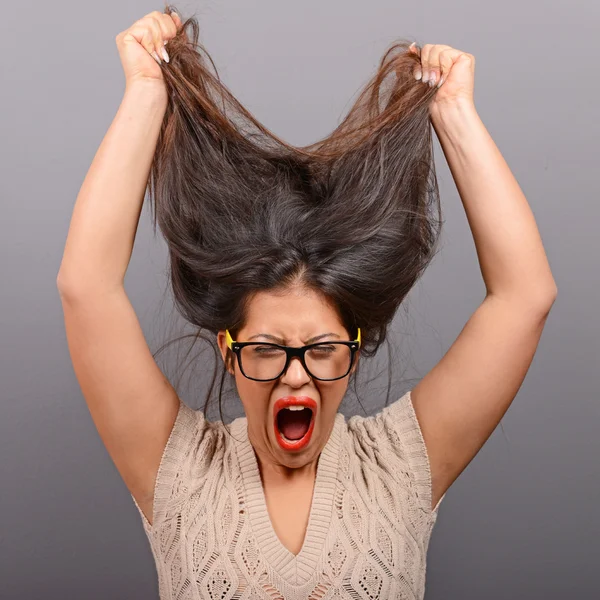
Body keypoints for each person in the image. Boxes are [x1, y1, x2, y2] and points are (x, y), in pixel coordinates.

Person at [57, 5, 557, 599]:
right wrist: (145, 91)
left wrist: (453, 112)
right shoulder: (177, 472)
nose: (296, 378)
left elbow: (524, 297)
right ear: (228, 348)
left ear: (354, 346)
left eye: (322, 349)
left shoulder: (400, 467)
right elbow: (86, 289)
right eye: (267, 349)